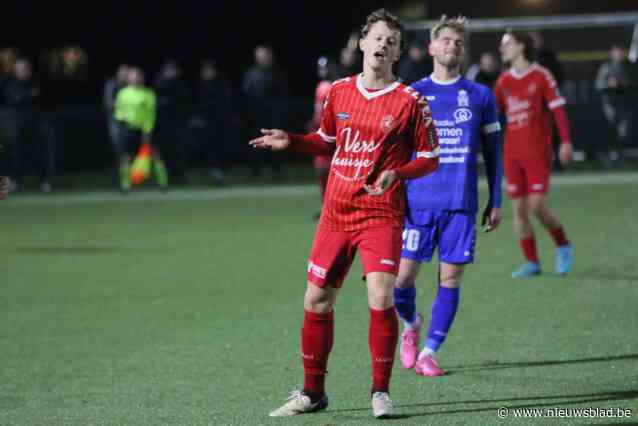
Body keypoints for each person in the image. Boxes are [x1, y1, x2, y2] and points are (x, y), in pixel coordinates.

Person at [250, 9, 439, 419]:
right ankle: (312, 392)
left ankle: (380, 392)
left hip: (381, 214)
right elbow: (325, 140)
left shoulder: (411, 102)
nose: (383, 44)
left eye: (392, 40)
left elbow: (429, 157)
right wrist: (293, 141)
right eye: (377, 37)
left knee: (381, 295)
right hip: (336, 213)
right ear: (362, 43)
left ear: (399, 51)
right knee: (316, 300)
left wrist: (398, 172)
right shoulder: (338, 91)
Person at [393, 16, 503, 377]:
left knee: (451, 280)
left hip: (459, 203)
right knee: (401, 281)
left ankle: (429, 352)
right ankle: (411, 325)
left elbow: (493, 151)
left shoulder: (480, 96)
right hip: (417, 202)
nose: (452, 47)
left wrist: (496, 198)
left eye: (458, 43)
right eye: (446, 41)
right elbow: (397, 149)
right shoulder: (413, 94)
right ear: (432, 47)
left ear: (463, 50)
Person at [494, 31, 574, 278]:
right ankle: (532, 262)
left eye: (506, 43)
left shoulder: (541, 76)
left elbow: (558, 110)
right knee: (519, 209)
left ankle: (562, 244)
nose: (501, 48)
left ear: (521, 46)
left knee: (537, 206)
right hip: (512, 154)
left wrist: (566, 143)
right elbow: (494, 116)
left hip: (537, 152)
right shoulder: (503, 81)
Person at [3, 58, 55, 193]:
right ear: (15, 71)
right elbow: (15, 99)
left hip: (35, 125)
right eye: (20, 69)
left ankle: (44, 182)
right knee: (16, 154)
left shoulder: (35, 83)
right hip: (17, 126)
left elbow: (41, 98)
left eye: (26, 69)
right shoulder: (11, 84)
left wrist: (27, 97)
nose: (23, 72)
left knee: (39, 153)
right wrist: (28, 96)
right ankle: (16, 182)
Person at [113, 67, 168, 192]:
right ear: (129, 78)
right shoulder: (123, 93)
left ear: (142, 78)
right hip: (127, 129)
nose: (136, 78)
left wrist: (147, 130)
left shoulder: (148, 93)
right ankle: (125, 185)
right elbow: (118, 111)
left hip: (144, 130)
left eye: (138, 76)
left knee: (154, 154)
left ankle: (163, 183)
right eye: (133, 76)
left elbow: (151, 114)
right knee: (125, 157)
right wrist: (122, 118)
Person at [242, 45, 289, 178]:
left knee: (275, 144)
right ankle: (255, 171)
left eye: (266, 55)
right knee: (256, 144)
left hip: (274, 116)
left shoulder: (278, 73)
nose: (264, 58)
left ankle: (277, 171)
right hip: (256, 116)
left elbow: (284, 95)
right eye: (260, 56)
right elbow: (246, 95)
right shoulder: (251, 74)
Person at [189, 59, 232, 184]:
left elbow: (226, 102)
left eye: (211, 70)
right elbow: (196, 103)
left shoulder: (221, 84)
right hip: (205, 123)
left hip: (220, 122)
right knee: (208, 149)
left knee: (222, 148)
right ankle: (215, 174)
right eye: (206, 70)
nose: (209, 73)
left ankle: (220, 173)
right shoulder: (199, 85)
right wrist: (196, 118)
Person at [595, 45, 635, 165]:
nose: (619, 54)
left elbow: (633, 82)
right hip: (611, 104)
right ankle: (610, 156)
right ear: (612, 54)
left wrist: (624, 83)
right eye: (616, 52)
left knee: (624, 131)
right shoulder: (606, 67)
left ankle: (621, 155)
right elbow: (598, 84)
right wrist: (608, 83)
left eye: (621, 52)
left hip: (626, 104)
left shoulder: (630, 67)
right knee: (611, 130)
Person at [308, 56, 336, 219]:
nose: (324, 71)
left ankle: (335, 207)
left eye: (326, 68)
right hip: (320, 133)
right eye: (321, 68)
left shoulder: (336, 86)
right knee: (321, 170)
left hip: (332, 134)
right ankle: (326, 207)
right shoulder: (321, 86)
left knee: (334, 170)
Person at [103, 63, 130, 171]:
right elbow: (108, 103)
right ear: (118, 73)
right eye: (123, 71)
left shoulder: (131, 86)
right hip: (116, 122)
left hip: (131, 121)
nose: (125, 74)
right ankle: (123, 177)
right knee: (119, 149)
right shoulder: (112, 84)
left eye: (127, 72)